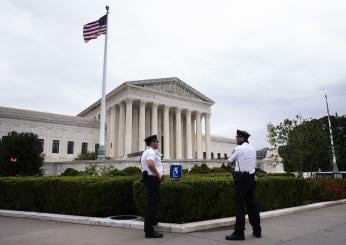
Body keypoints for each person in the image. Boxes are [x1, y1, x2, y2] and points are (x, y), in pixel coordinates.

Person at [225, 130, 262, 241]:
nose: (236, 139)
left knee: (240, 207)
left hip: (241, 180)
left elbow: (229, 162)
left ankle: (239, 233)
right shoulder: (252, 149)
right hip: (251, 178)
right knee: (252, 205)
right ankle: (257, 231)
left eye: (237, 137)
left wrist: (235, 162)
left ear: (242, 138)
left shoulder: (238, 148)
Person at [141, 134, 164, 238]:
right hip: (152, 179)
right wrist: (157, 174)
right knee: (151, 204)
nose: (158, 143)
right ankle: (149, 231)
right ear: (152, 143)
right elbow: (150, 164)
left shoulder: (148, 152)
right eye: (156, 141)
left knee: (153, 202)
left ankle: (153, 222)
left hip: (150, 179)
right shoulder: (150, 152)